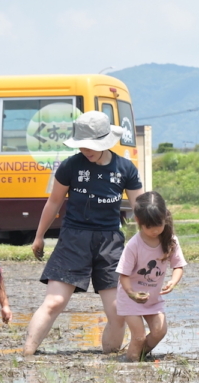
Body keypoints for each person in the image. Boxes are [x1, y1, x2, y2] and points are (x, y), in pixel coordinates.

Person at [23, 111, 144, 356]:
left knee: (117, 312)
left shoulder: (125, 168)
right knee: (54, 302)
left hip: (110, 242)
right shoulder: (71, 165)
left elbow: (141, 207)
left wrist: (151, 242)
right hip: (74, 239)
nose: (86, 151)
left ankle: (109, 360)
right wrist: (39, 236)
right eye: (82, 145)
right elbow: (54, 202)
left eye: (91, 146)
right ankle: (26, 354)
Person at [116, 191, 186, 361]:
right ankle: (131, 366)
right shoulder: (134, 245)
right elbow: (123, 275)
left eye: (159, 224)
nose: (155, 230)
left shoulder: (170, 241)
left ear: (165, 218)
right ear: (139, 221)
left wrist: (173, 282)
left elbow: (178, 266)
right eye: (149, 226)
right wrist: (132, 293)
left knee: (159, 331)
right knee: (139, 337)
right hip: (130, 298)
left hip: (152, 299)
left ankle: (136, 359)